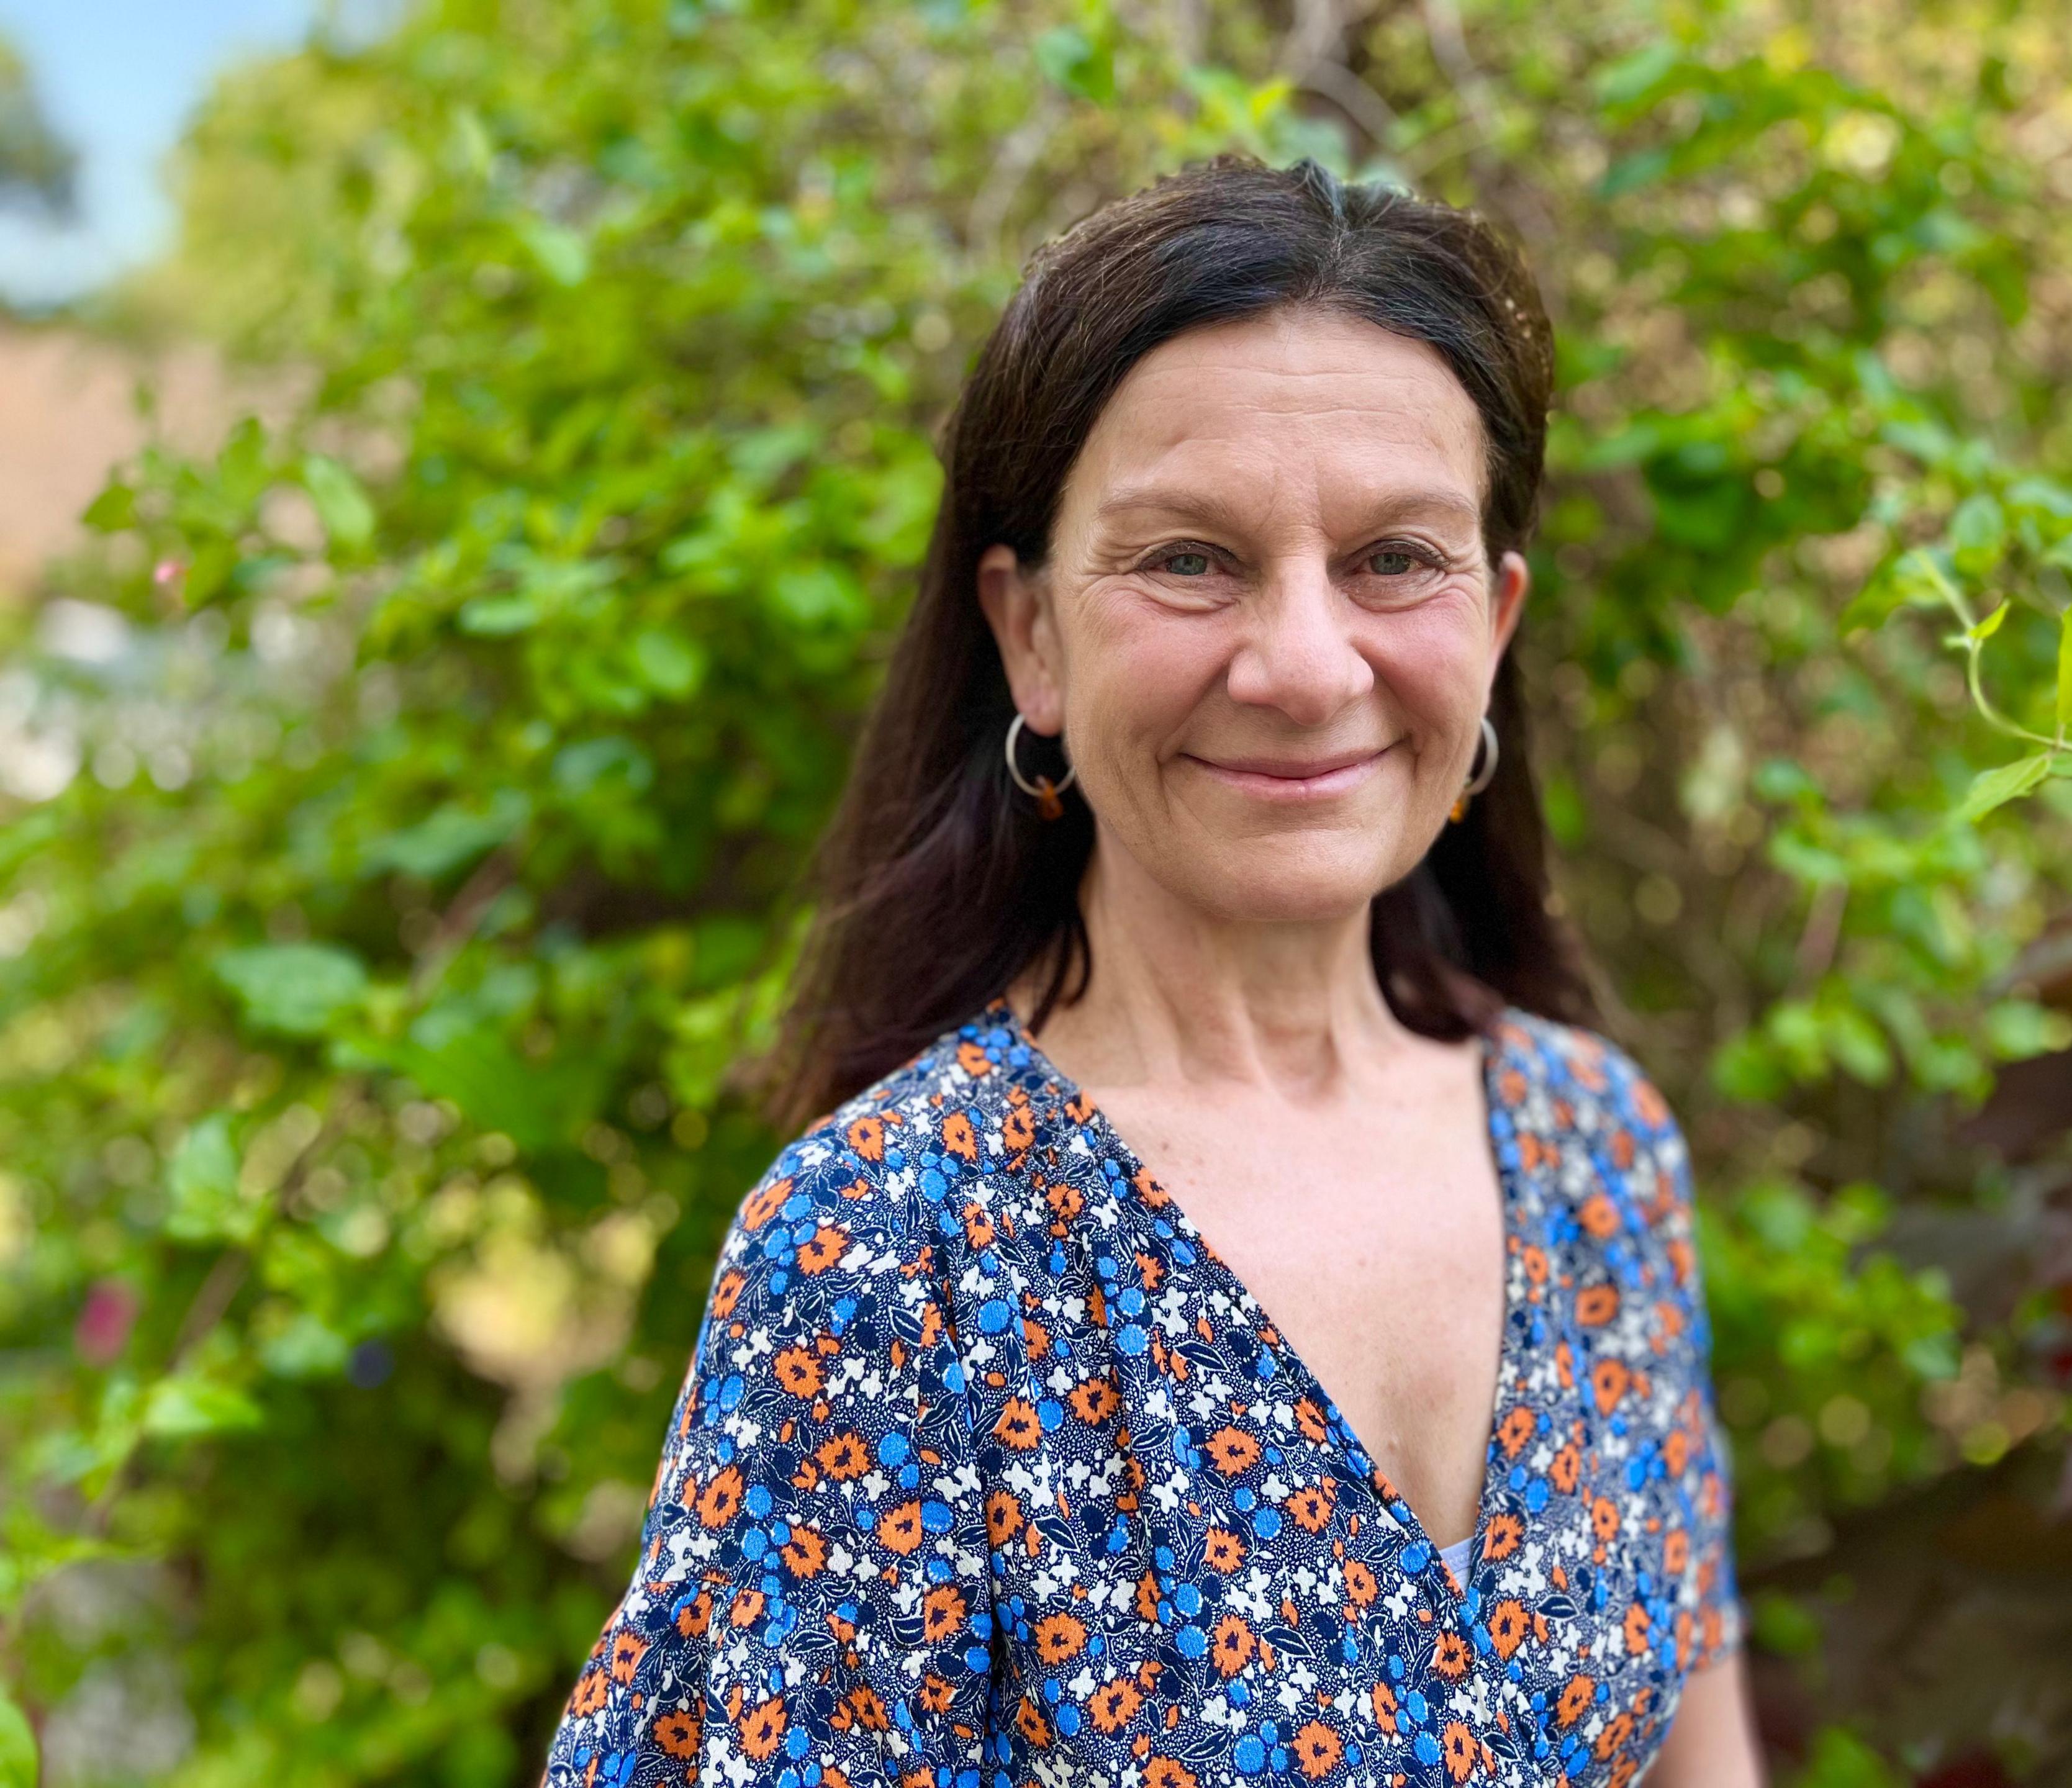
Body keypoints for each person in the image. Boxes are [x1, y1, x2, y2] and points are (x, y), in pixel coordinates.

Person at [542, 155, 1761, 1788]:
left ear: (1498, 620)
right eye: (1191, 559)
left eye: (1399, 558)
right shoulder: (890, 1262)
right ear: (1030, 634)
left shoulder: (1600, 1152)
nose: (1307, 664)